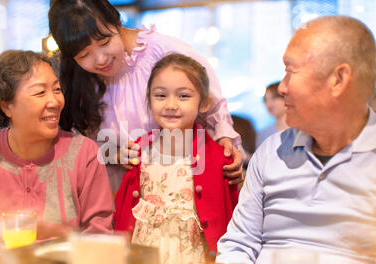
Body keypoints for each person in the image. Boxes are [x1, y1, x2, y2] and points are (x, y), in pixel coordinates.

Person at [216, 16, 376, 264]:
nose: (282, 87)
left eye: (291, 71)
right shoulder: (271, 151)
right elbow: (240, 244)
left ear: (338, 79)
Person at [48, 0, 244, 193]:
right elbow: (82, 143)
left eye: (105, 42)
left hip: (186, 181)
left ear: (118, 24)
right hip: (124, 188)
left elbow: (212, 105)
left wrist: (224, 140)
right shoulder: (77, 79)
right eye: (84, 55)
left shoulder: (164, 52)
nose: (100, 59)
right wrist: (115, 154)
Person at [0, 50, 114, 252]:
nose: (54, 102)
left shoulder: (84, 153)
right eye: (40, 93)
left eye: (57, 89)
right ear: (7, 107)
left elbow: (99, 235)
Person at [114, 54, 239, 264]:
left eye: (183, 96)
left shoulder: (219, 158)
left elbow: (233, 214)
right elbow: (123, 207)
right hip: (144, 260)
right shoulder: (137, 151)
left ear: (204, 102)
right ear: (149, 99)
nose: (170, 105)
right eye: (160, 95)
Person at [256, 81, 288, 147]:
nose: (268, 104)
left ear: (286, 97)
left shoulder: (303, 128)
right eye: (265, 100)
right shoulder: (263, 134)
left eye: (274, 98)